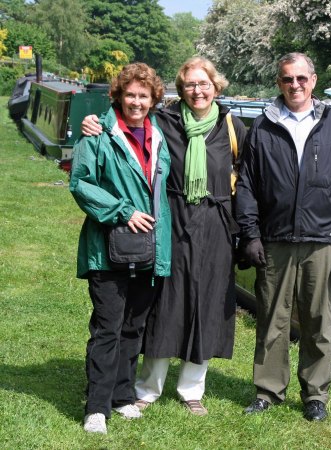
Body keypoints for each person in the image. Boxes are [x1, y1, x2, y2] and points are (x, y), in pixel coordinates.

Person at [81, 57, 247, 416]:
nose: (197, 91)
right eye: (189, 85)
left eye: (204, 84)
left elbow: (247, 179)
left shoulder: (233, 127)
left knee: (206, 303)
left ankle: (191, 389)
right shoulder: (165, 121)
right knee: (164, 303)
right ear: (180, 89)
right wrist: (93, 120)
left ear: (216, 86)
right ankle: (147, 386)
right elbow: (128, 121)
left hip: (216, 225)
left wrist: (248, 233)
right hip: (170, 220)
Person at [236, 52, 331, 421]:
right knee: (272, 320)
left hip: (322, 238)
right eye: (287, 79)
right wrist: (250, 235)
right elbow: (247, 187)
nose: (295, 85)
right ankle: (268, 391)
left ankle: (316, 396)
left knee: (318, 323)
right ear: (279, 83)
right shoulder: (262, 127)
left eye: (301, 79)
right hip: (274, 238)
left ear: (314, 80)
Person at [70, 62, 171, 434]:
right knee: (108, 327)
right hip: (108, 247)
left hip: (150, 249)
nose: (137, 102)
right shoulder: (97, 133)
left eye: (144, 95)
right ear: (118, 95)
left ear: (153, 99)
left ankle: (123, 396)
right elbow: (81, 183)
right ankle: (96, 406)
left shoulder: (158, 133)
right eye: (130, 94)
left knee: (134, 326)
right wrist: (122, 211)